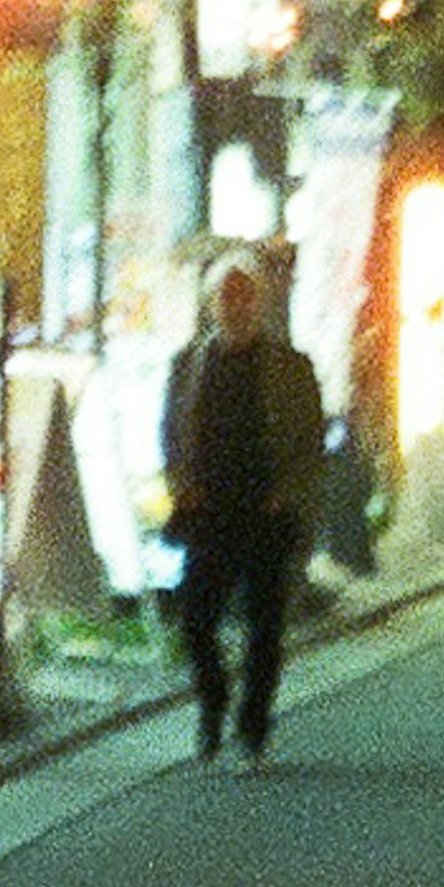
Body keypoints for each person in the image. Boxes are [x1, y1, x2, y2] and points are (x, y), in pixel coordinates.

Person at [159, 257, 329, 763]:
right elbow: (168, 432)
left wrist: (288, 492)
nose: (236, 305)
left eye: (245, 295)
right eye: (226, 295)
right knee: (196, 620)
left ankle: (253, 727)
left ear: (260, 302)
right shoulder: (188, 364)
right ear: (211, 304)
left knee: (265, 625)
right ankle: (213, 700)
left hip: (266, 513)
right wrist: (180, 484)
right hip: (208, 511)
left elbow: (311, 442)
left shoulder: (291, 366)